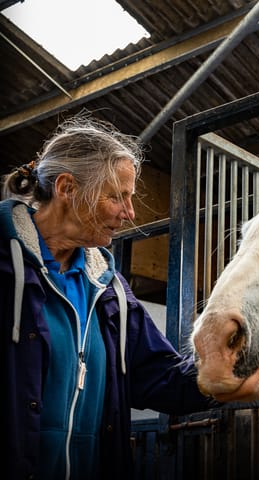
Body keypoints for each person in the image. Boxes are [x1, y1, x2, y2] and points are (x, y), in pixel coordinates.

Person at [0, 114, 218, 480]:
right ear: (67, 188)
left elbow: (157, 375)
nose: (129, 213)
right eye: (117, 197)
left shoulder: (110, 288)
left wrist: (215, 373)